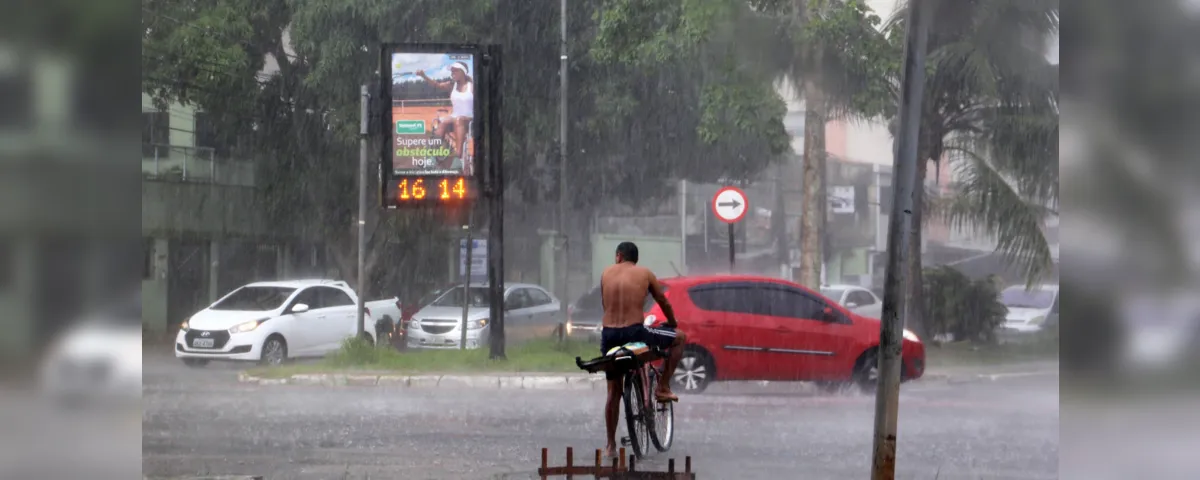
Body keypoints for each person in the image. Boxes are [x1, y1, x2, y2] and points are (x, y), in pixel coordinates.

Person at [598, 241, 687, 459]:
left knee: (613, 392)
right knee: (680, 338)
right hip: (635, 333)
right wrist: (673, 321)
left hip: (609, 335)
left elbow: (605, 305)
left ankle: (610, 445)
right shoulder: (644, 273)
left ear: (618, 256)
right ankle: (663, 386)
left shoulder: (605, 273)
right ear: (634, 260)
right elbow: (663, 301)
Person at [415, 62, 473, 170]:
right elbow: (436, 85)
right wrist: (423, 76)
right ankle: (431, 157)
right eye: (451, 71)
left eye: (455, 71)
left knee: (458, 119)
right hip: (455, 119)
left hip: (469, 119)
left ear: (463, 72)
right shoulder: (452, 85)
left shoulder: (472, 87)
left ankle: (458, 158)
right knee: (443, 122)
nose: (452, 73)